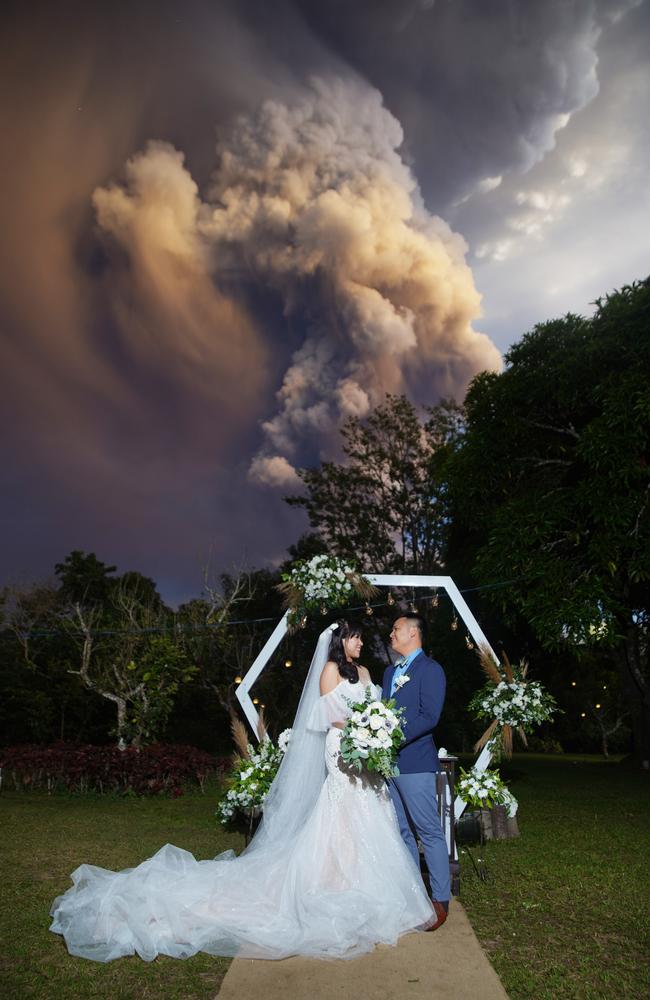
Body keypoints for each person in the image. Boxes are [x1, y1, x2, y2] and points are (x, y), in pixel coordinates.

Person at [49, 621, 435, 963]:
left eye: (361, 639)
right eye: (355, 638)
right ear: (341, 641)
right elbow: (326, 715)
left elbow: (378, 706)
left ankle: (366, 884)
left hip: (366, 753)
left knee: (371, 813)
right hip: (342, 748)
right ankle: (332, 879)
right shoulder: (330, 670)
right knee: (342, 813)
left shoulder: (367, 671)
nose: (361, 644)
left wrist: (376, 727)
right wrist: (362, 727)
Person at [383, 612, 450, 931]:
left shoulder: (431, 670)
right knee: (401, 833)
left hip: (415, 763)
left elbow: (429, 715)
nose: (391, 634)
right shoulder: (388, 672)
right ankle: (413, 898)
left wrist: (390, 736)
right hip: (388, 766)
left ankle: (440, 901)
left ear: (413, 633)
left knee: (429, 832)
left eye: (396, 629)